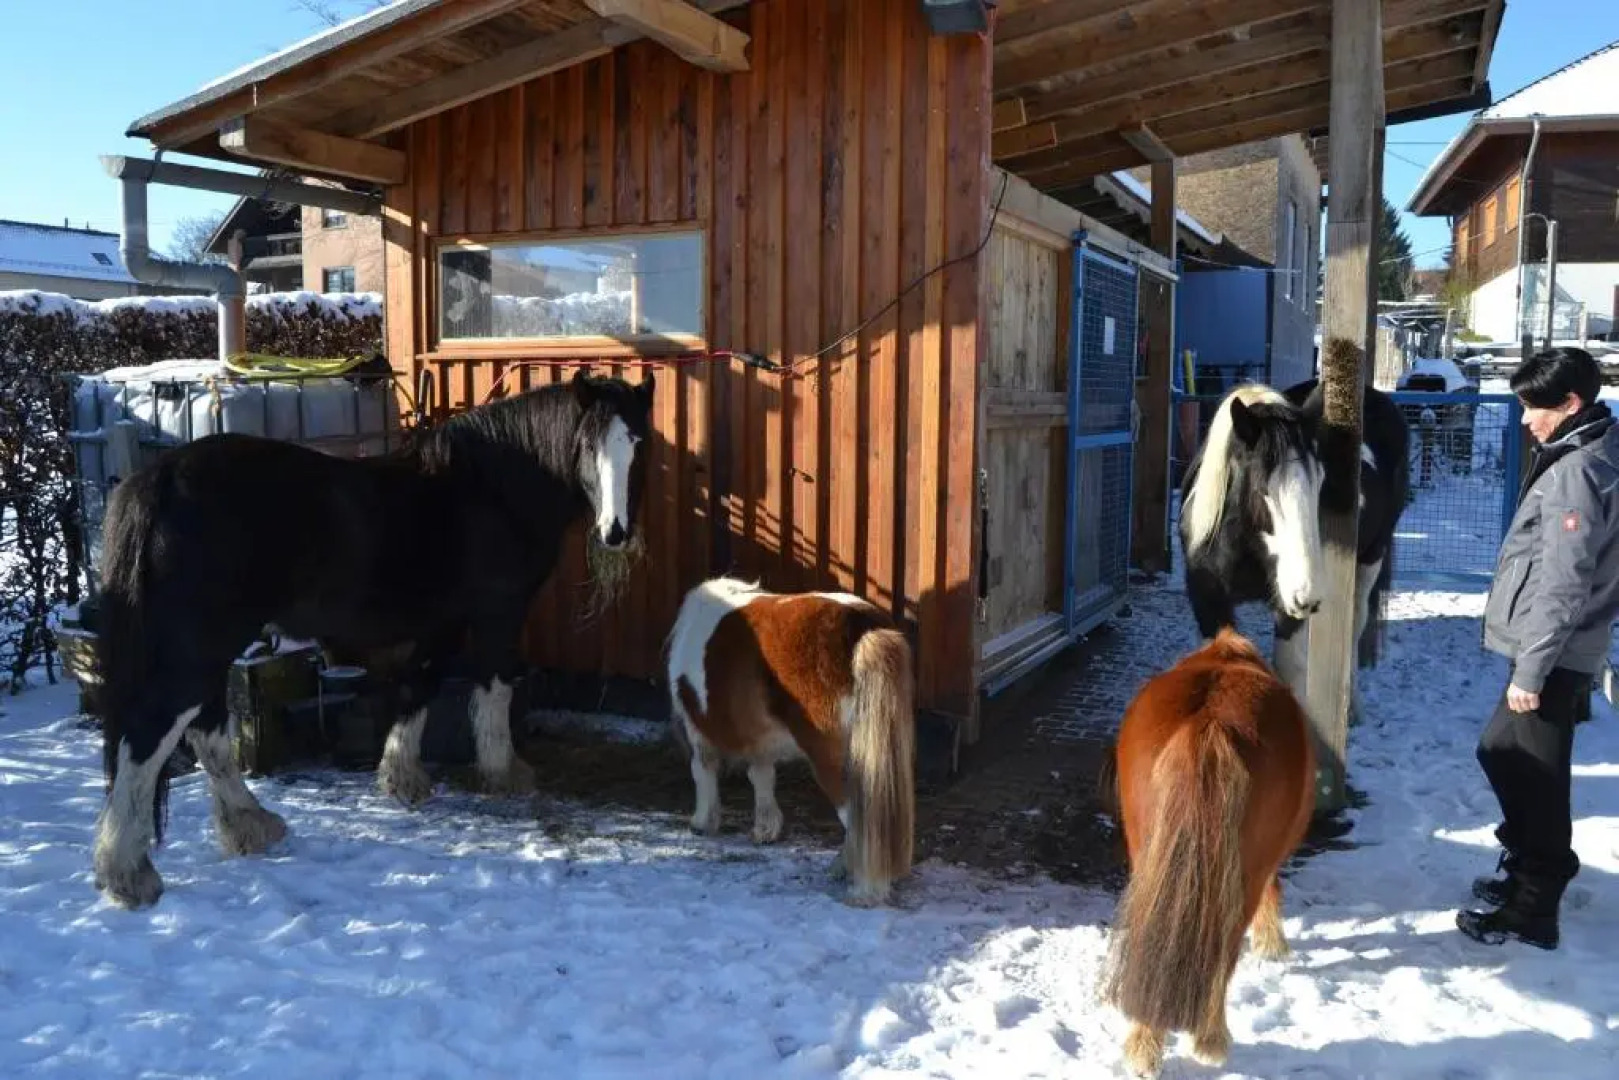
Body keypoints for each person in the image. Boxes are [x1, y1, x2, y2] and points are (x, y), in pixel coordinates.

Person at [1457, 346, 1619, 950]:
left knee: (1535, 773)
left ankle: (1534, 907)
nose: (1526, 418)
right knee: (1501, 750)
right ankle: (1531, 862)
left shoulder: (1578, 471)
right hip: (1556, 649)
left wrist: (1531, 670)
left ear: (1571, 403)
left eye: (1534, 407)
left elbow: (1564, 581)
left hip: (1555, 653)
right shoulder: (1588, 448)